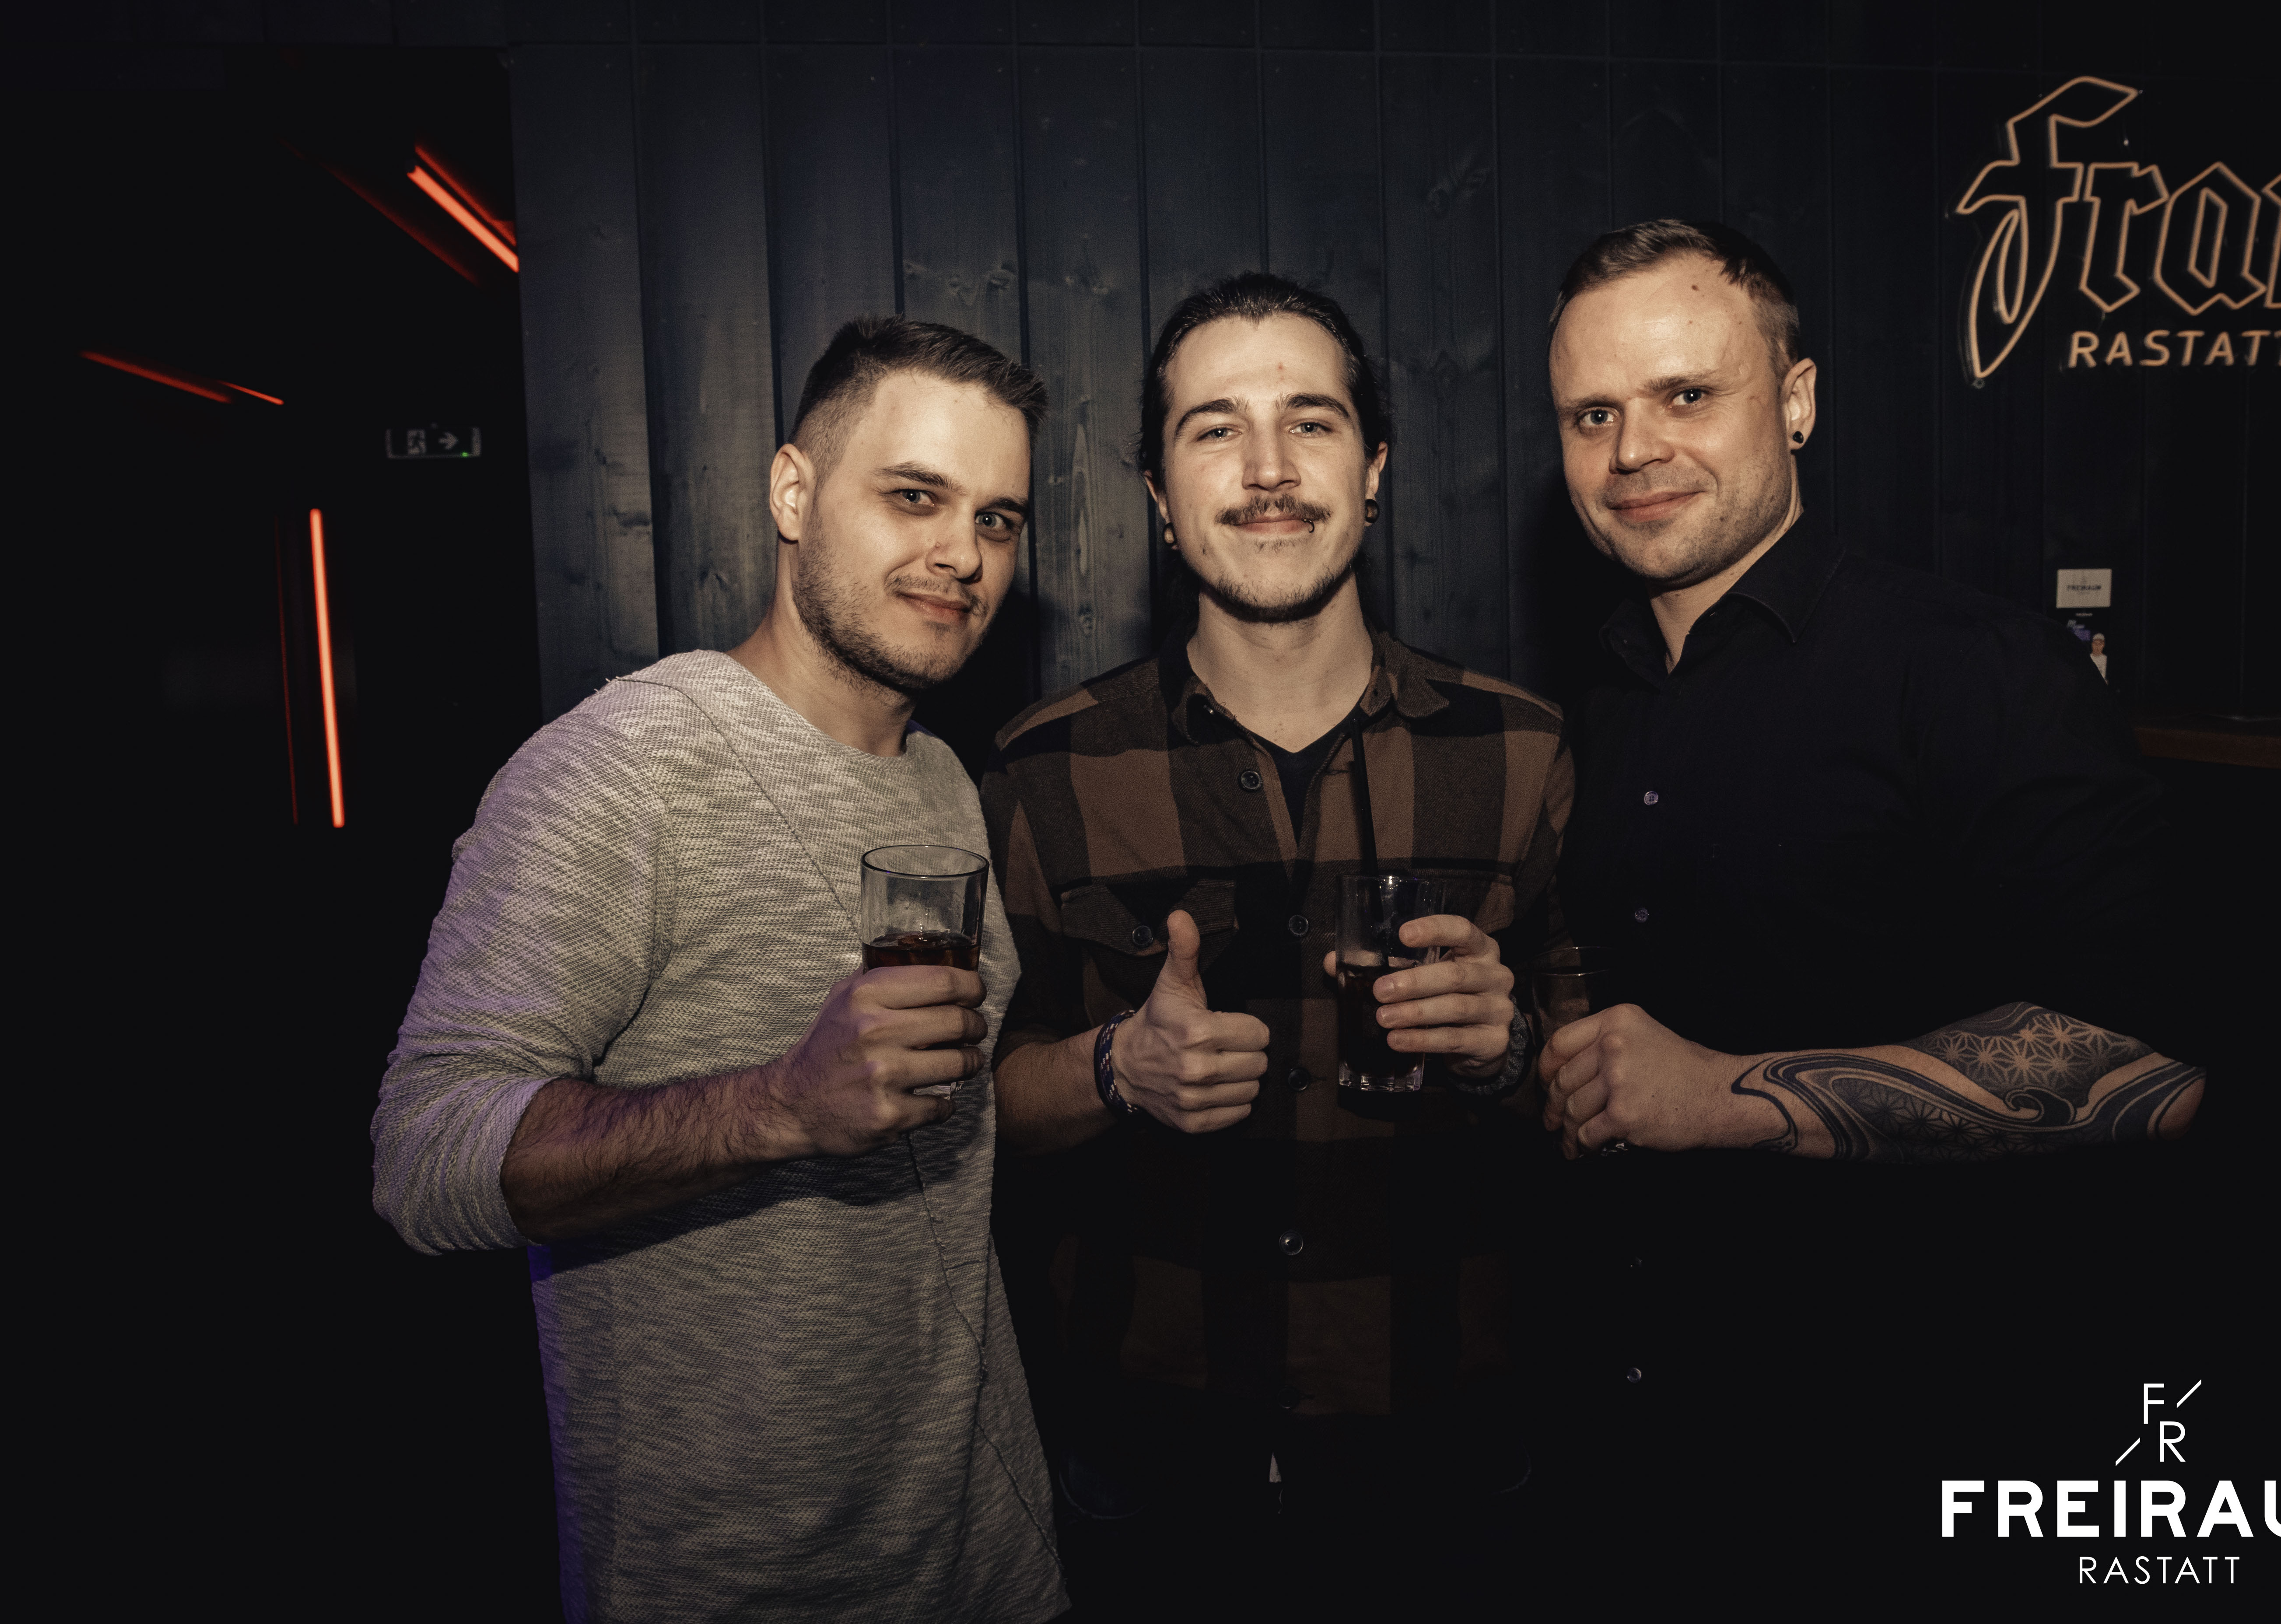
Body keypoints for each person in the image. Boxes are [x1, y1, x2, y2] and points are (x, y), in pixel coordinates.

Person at [371, 316, 1068, 1624]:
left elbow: (963, 1132)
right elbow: (424, 1155)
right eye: (913, 496)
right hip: (735, 1583)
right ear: (793, 492)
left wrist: (1121, 1068)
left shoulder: (947, 790)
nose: (962, 554)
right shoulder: (620, 770)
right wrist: (779, 1107)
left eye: (998, 520)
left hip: (987, 1555)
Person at [1534, 218, 2205, 1564]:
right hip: (1649, 1440)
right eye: (1592, 414)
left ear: (1797, 401)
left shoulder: (1977, 669)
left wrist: (1731, 1096)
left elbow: (2148, 1066)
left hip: (1908, 1441)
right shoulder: (1596, 700)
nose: (1633, 449)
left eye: (1686, 395)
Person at [981, 274, 1570, 1614]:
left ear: (1375, 471)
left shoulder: (1521, 750)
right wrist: (1117, 1068)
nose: (1266, 470)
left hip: (1445, 1447)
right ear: (1158, 494)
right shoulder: (1043, 767)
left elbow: (1600, 1097)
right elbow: (982, 1110)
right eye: (1214, 430)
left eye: (1310, 422)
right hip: (1150, 1455)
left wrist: (1509, 1049)